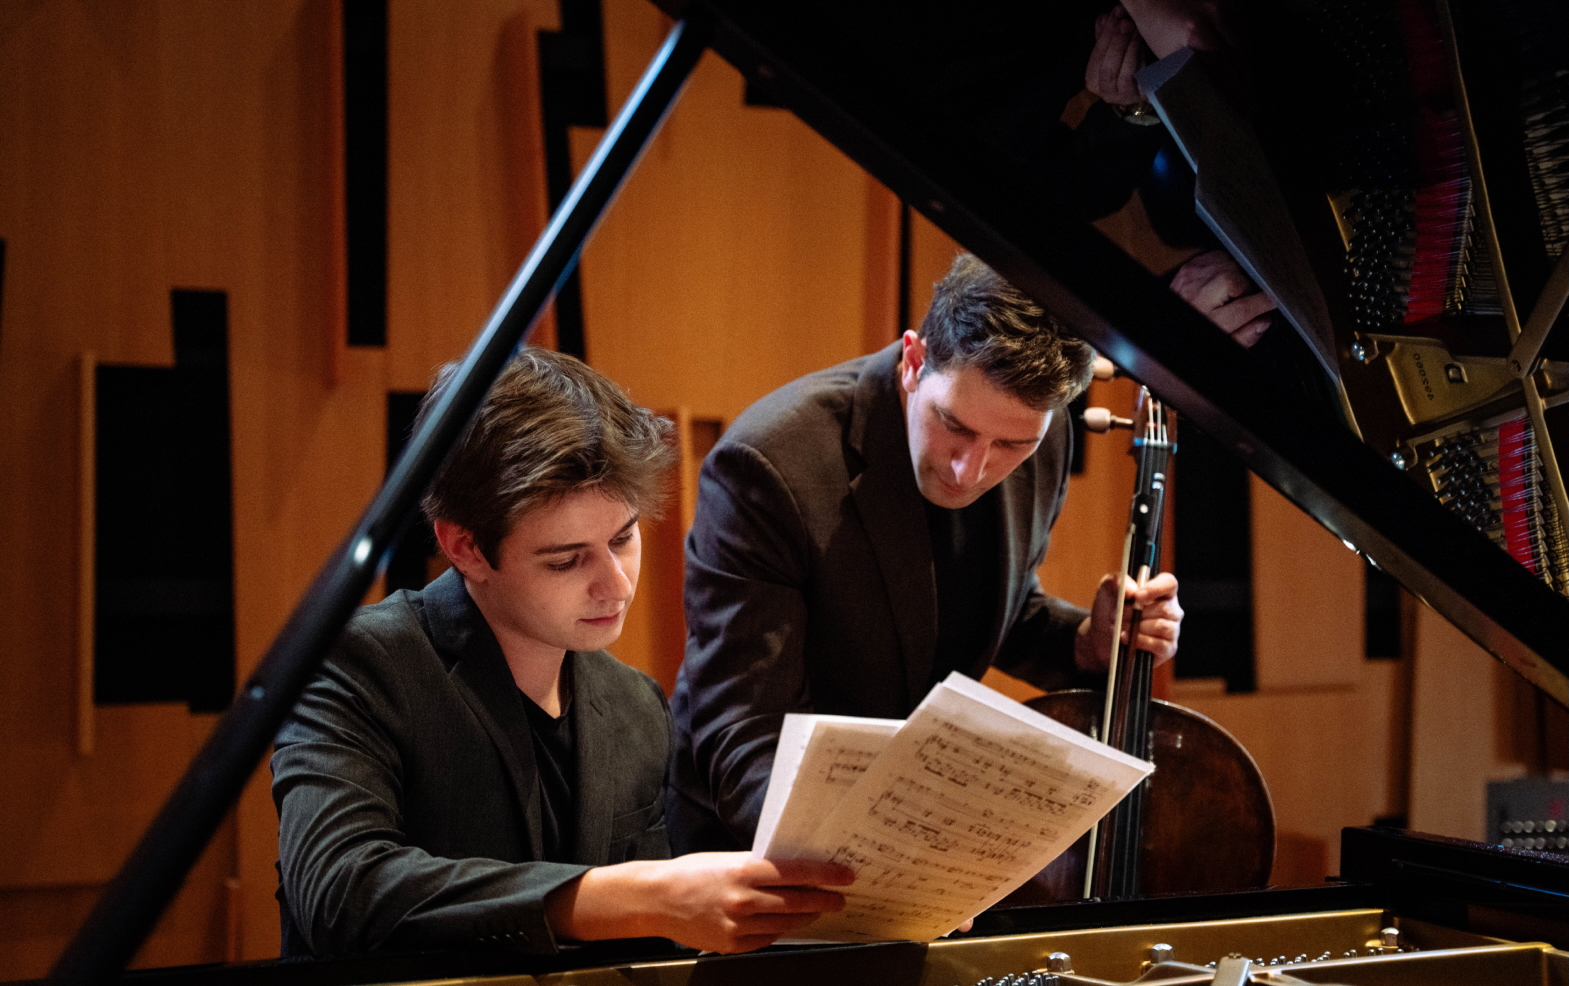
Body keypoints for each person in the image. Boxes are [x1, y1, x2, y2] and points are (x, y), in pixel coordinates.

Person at [271, 347, 852, 959]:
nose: (616, 585)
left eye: (623, 539)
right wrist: (635, 898)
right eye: (567, 560)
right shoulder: (355, 664)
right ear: (465, 547)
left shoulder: (635, 705)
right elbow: (340, 892)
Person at [669, 254, 1186, 854]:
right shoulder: (769, 463)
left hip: (905, 822)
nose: (972, 470)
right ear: (914, 361)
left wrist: (1087, 643)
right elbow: (745, 731)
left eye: (1011, 445)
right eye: (955, 426)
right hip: (749, 837)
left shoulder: (1046, 438)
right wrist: (863, 849)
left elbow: (981, 606)